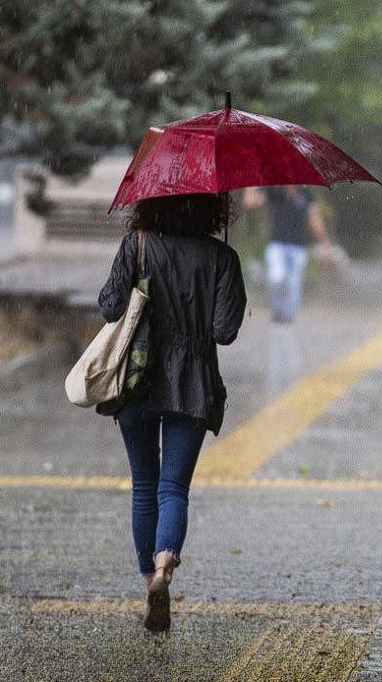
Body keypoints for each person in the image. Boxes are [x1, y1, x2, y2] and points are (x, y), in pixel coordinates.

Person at [97, 192, 246, 631]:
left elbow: (110, 306)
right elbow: (224, 331)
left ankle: (150, 583)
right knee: (173, 488)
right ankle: (165, 564)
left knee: (145, 486)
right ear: (211, 207)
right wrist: (222, 277)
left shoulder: (137, 244)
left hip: (137, 377)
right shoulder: (222, 256)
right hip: (193, 383)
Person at [243, 185, 332, 323]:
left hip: (298, 246)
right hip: (277, 244)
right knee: (276, 278)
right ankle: (277, 311)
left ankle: (289, 316)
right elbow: (249, 202)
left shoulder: (305, 193)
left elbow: (314, 218)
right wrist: (253, 183)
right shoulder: (275, 191)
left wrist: (324, 242)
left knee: (294, 283)